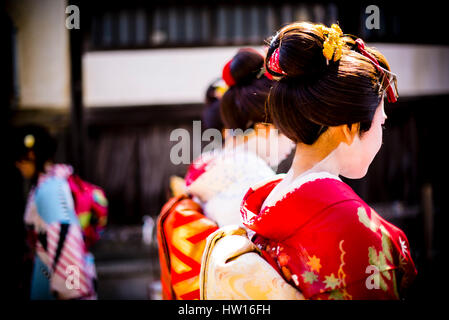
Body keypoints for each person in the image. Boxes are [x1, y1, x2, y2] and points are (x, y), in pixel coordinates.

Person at [202, 22, 417, 300]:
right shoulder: (354, 231)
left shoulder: (263, 202)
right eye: (381, 124)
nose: (381, 136)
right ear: (350, 126)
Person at [157, 48, 295, 300]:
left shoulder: (211, 165)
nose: (293, 142)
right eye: (288, 129)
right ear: (266, 128)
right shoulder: (257, 180)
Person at [14, 125, 97, 300]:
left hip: (57, 283)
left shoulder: (50, 191)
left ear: (32, 156)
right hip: (47, 273)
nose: (17, 165)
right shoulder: (50, 183)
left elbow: (67, 241)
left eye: (20, 159)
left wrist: (72, 290)